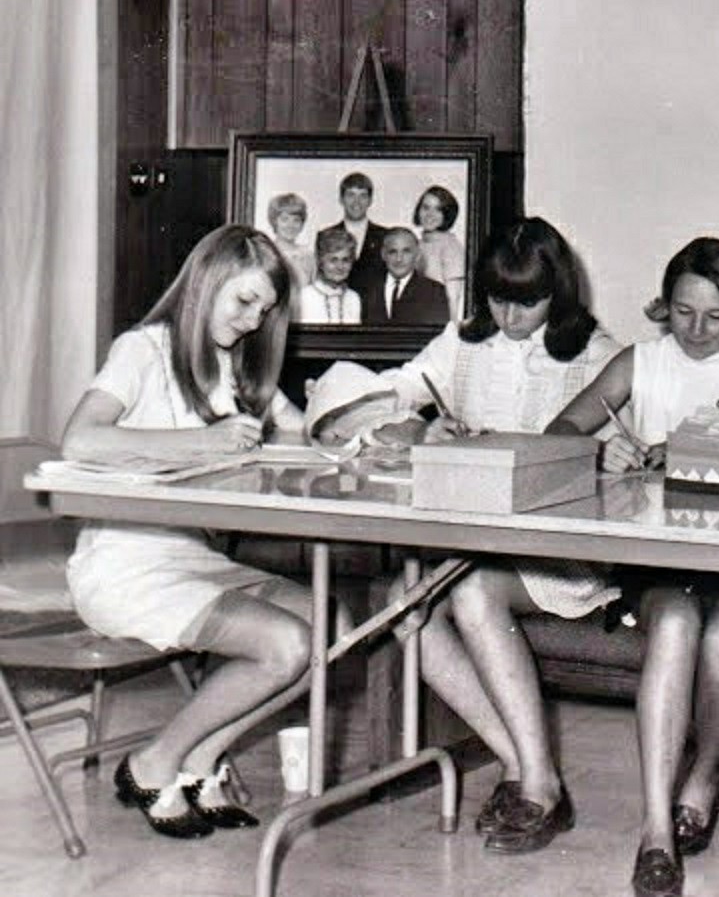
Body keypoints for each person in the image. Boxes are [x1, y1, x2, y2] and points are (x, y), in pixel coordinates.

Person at [61, 224, 351, 839]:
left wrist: (356, 432)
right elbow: (80, 438)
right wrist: (203, 440)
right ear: (204, 283)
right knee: (287, 647)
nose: (252, 321)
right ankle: (152, 763)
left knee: (338, 629)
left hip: (193, 561)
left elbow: (304, 438)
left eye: (265, 311)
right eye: (243, 302)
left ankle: (197, 756)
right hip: (125, 566)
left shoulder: (236, 367)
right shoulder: (142, 350)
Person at [545, 237, 719, 897]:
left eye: (715, 317)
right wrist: (600, 458)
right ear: (664, 307)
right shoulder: (640, 363)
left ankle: (705, 772)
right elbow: (560, 434)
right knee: (676, 624)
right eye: (683, 313)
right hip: (658, 562)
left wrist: (684, 454)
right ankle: (655, 828)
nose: (698, 331)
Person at [377, 217, 621, 854]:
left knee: (472, 590)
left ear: (558, 294)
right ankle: (529, 768)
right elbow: (397, 392)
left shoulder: (594, 353)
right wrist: (414, 427)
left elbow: (627, 451)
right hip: (474, 544)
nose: (510, 317)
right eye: (497, 299)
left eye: (528, 302)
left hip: (562, 554)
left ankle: (535, 785)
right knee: (404, 612)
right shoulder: (462, 343)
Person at [316, 172, 389, 300]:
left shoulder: (385, 236)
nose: (357, 202)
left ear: (370, 200)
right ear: (341, 199)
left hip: (374, 311)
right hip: (337, 308)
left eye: (363, 196)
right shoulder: (324, 236)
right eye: (351, 195)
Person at [359, 228, 449, 325]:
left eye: (406, 251)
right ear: (383, 255)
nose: (399, 259)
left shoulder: (435, 292)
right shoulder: (367, 290)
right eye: (392, 252)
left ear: (417, 254)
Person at [413, 185, 466, 321]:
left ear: (447, 214)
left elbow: (453, 301)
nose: (430, 214)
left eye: (438, 209)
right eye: (425, 207)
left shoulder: (452, 247)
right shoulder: (415, 244)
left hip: (436, 321)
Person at [296, 228, 362, 324]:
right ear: (320, 261)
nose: (340, 267)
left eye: (345, 260)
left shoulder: (353, 298)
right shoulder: (305, 296)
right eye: (333, 260)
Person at [266, 192, 314, 289]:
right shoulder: (266, 253)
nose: (290, 225)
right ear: (274, 221)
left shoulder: (308, 256)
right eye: (284, 219)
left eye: (296, 220)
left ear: (302, 224)